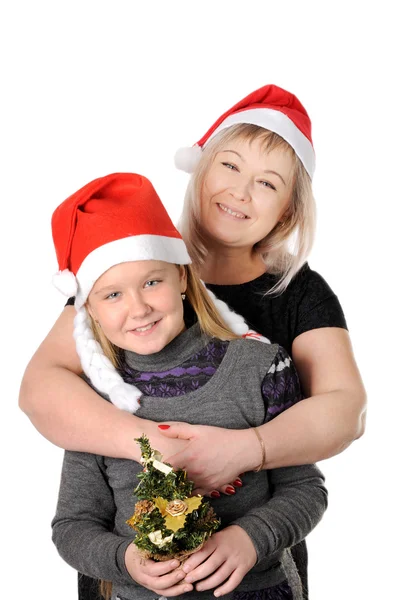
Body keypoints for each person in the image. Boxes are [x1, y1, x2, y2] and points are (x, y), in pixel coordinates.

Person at [19, 84, 366, 599]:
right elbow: (40, 391)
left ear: (288, 210)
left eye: (266, 183)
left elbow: (346, 412)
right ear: (200, 169)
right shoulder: (129, 267)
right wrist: (152, 448)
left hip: (253, 571)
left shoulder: (298, 297)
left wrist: (246, 450)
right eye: (229, 166)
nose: (241, 192)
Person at [50, 172, 327, 600]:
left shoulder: (259, 367)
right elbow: (73, 525)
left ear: (182, 277)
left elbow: (305, 488)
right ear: (87, 309)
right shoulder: (90, 400)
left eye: (151, 282)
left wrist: (250, 538)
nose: (138, 308)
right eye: (112, 295)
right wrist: (126, 559)